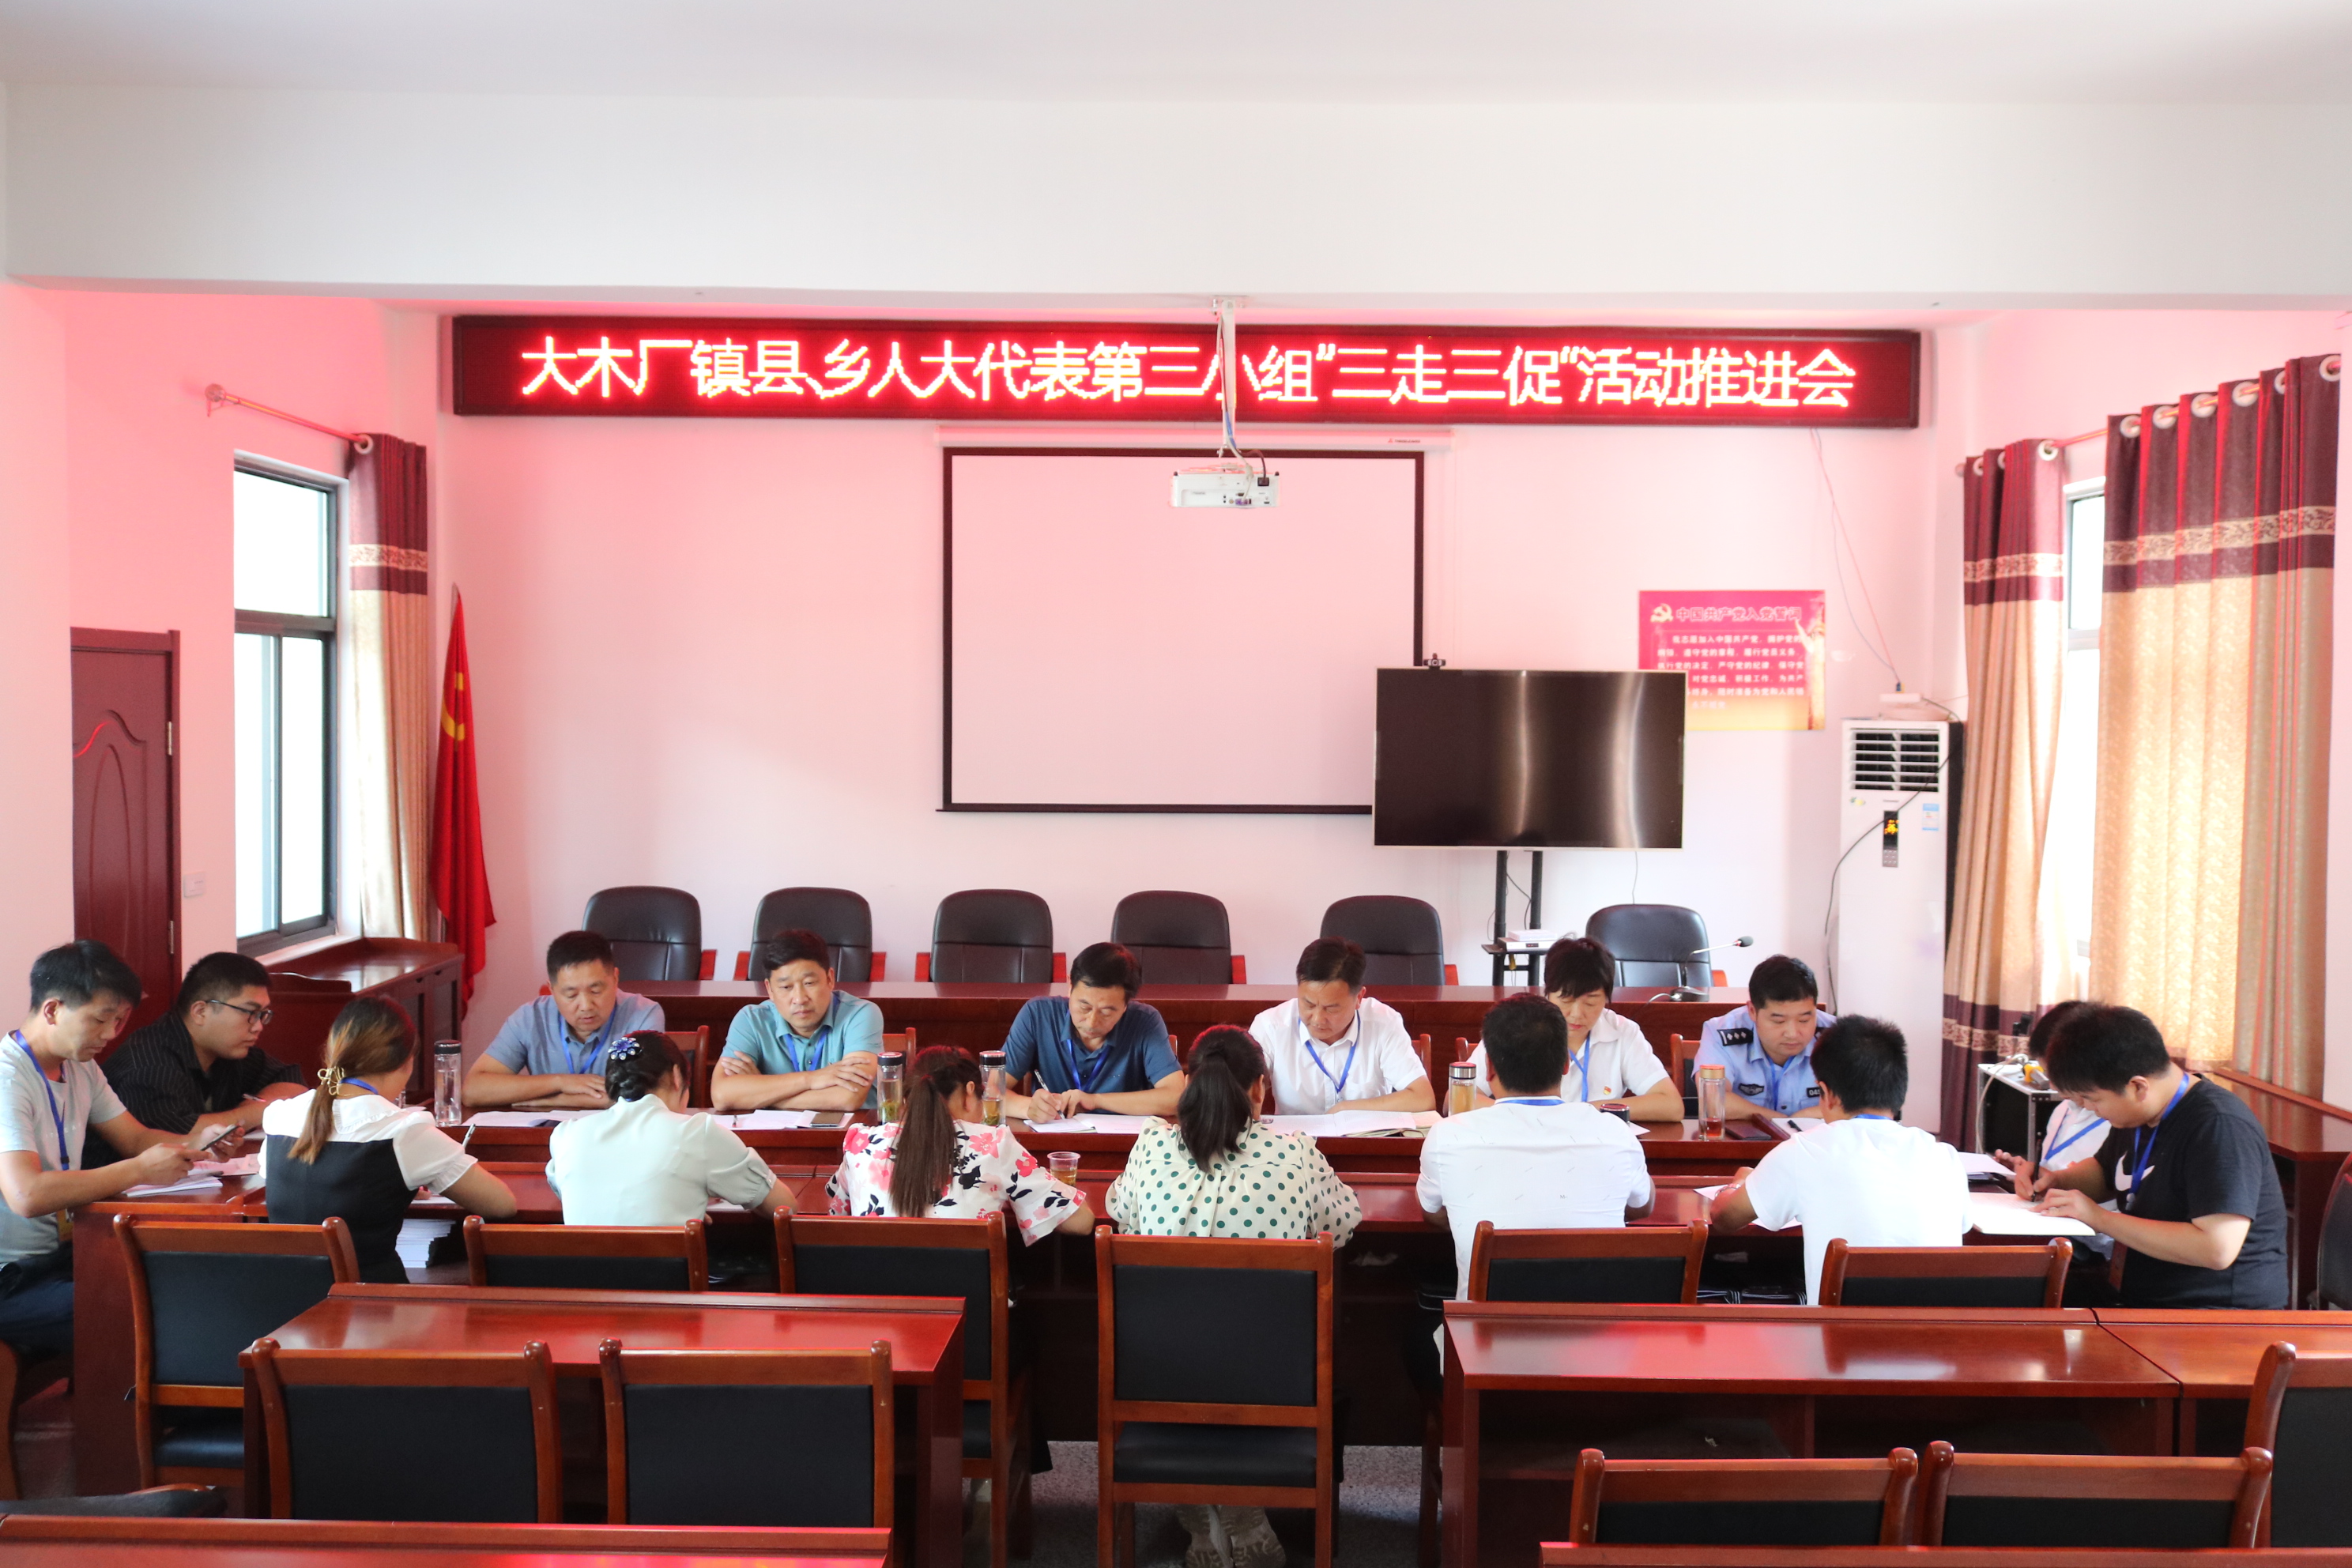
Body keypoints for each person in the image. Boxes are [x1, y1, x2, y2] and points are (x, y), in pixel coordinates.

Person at [1106, 1027, 1359, 1568]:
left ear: (1188, 1086)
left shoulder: (1151, 1145)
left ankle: (1199, 1503)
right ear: (1260, 1089)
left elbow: (1121, 1213)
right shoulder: (1296, 1153)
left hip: (1158, 1370)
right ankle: (1237, 1506)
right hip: (1273, 1377)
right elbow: (1342, 1226)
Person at [0, 942, 207, 1359]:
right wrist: (139, 1170)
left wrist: (200, 1145)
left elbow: (134, 1139)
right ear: (53, 1010)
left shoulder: (81, 1067)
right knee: (143, 1309)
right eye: (99, 1019)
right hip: (13, 1277)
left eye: (119, 1021)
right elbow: (27, 1195)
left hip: (64, 1255)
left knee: (187, 1281)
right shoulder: (8, 1079)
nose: (111, 1034)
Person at [2026, 1004, 2288, 1309]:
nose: (2086, 1108)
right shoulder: (2140, 1113)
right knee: (2014, 1292)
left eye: (2091, 1098)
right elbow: (2104, 1173)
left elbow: (2216, 1248)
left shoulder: (2219, 1126)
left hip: (2211, 1312)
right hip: (2139, 1292)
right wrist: (2051, 1180)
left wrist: (2099, 1218)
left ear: (2138, 1087)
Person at [1709, 1016, 1968, 1303]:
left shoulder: (1804, 1150)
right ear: (1900, 1093)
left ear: (1827, 1094)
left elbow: (1724, 1218)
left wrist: (1739, 1183)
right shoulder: (1943, 1156)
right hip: (1936, 1329)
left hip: (1838, 1331)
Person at [266, 998, 517, 1282]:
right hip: (371, 1301)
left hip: (287, 1298)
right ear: (408, 1062)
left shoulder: (280, 1116)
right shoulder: (404, 1130)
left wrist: (391, 1188)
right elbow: (501, 1205)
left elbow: (307, 1187)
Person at [1420, 993, 1654, 1293]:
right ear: (1566, 1064)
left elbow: (1432, 1212)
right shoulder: (1616, 1133)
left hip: (1486, 1323)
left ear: (1488, 1068)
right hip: (1593, 1321)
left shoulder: (1446, 1136)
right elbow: (1642, 1207)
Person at [827, 1046, 1094, 1244]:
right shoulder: (994, 1144)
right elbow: (1081, 1222)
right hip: (969, 1301)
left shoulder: (861, 1142)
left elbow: (836, 1210)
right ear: (969, 1092)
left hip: (878, 1301)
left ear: (907, 1097)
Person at [548, 1031, 790, 1224]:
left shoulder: (567, 1135)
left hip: (585, 1273)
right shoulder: (697, 1132)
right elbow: (784, 1207)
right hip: (670, 1273)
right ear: (677, 1076)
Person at [97, 952, 304, 1159]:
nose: (258, 1026)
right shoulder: (149, 1065)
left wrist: (258, 1108)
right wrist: (260, 1111)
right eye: (250, 1013)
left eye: (263, 1015)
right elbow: (178, 1138)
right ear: (200, 1012)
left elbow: (292, 1081)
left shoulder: (226, 1048)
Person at [1460, 938, 1681, 1120]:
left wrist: (1583, 1112)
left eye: (1591, 1002)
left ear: (1607, 998)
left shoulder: (1622, 1033)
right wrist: (1524, 1116)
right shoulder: (1517, 1025)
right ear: (1547, 992)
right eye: (1566, 1000)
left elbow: (1670, 1105)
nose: (1577, 1014)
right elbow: (1461, 1098)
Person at [466, 931, 665, 1109]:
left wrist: (552, 1100)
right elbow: (472, 1090)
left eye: (596, 991)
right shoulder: (530, 1018)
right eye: (571, 995)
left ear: (615, 978)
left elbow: (649, 1095)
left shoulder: (643, 1015)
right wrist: (560, 1082)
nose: (586, 1005)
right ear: (552, 990)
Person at [1249, 937, 1434, 1116]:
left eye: (1331, 1008)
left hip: (1366, 1137)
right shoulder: (1271, 1026)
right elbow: (1241, 1092)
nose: (1318, 1019)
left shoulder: (1383, 1023)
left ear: (1359, 998)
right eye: (1308, 1005)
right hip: (1294, 1138)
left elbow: (1423, 1099)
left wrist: (1348, 1110)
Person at [1001, 943, 1182, 1121]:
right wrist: (1028, 1108)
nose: (1092, 1023)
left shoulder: (1145, 1021)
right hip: (1054, 1135)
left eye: (1106, 1012)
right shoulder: (1038, 1015)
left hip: (1123, 1139)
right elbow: (991, 1089)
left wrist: (1095, 1101)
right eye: (1084, 1007)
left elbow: (1175, 1097)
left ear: (1126, 1005)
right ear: (1070, 985)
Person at [713, 929, 884, 1113]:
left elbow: (847, 1098)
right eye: (786, 987)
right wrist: (811, 1079)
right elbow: (722, 1095)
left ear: (829, 979)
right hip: (771, 1132)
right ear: (770, 989)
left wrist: (760, 1096)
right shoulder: (751, 1020)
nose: (800, 999)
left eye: (809, 983)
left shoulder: (860, 1014)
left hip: (850, 1130)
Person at [1693, 955, 1838, 1121]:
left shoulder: (1836, 1035)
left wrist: (1804, 1117)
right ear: (1752, 1011)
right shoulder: (1720, 1033)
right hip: (1746, 1137)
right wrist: (1784, 1123)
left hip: (1816, 1137)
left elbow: (1858, 1105)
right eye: (1779, 1021)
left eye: (1804, 1020)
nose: (1792, 1033)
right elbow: (1713, 1100)